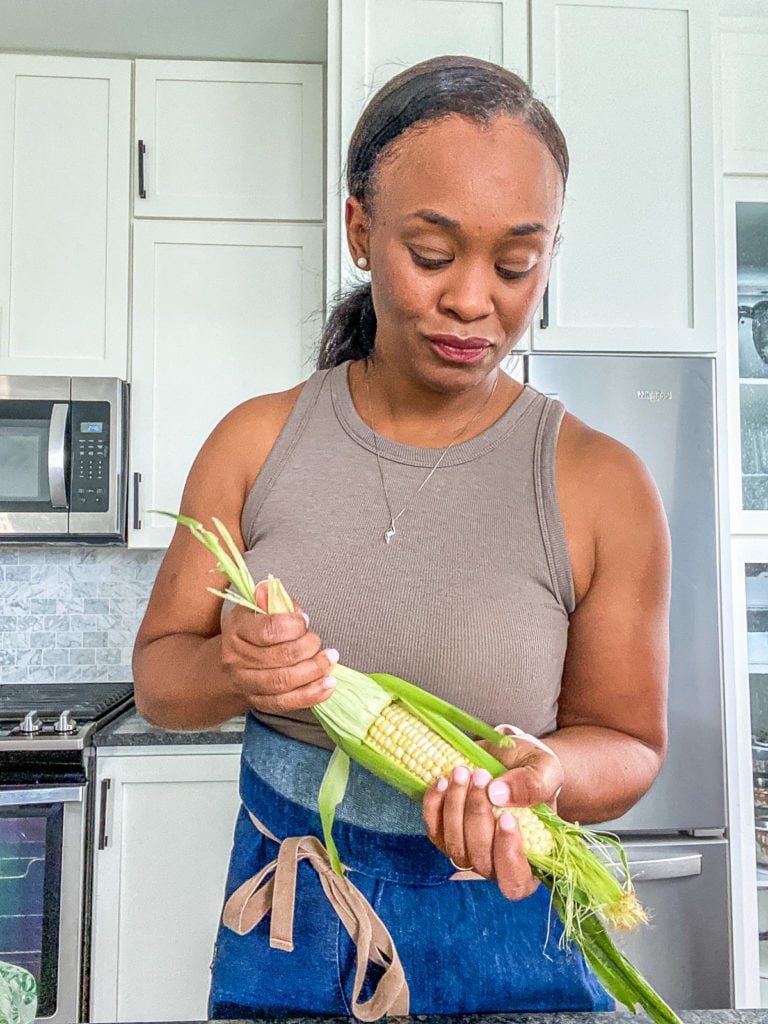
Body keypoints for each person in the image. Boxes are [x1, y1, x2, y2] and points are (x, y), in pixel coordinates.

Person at [132, 54, 671, 1019]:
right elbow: (161, 680)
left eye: (516, 262)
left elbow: (628, 742)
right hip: (293, 925)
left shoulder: (602, 483)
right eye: (431, 254)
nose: (475, 301)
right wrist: (237, 672)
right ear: (359, 230)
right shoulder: (255, 441)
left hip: (510, 925)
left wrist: (550, 776)